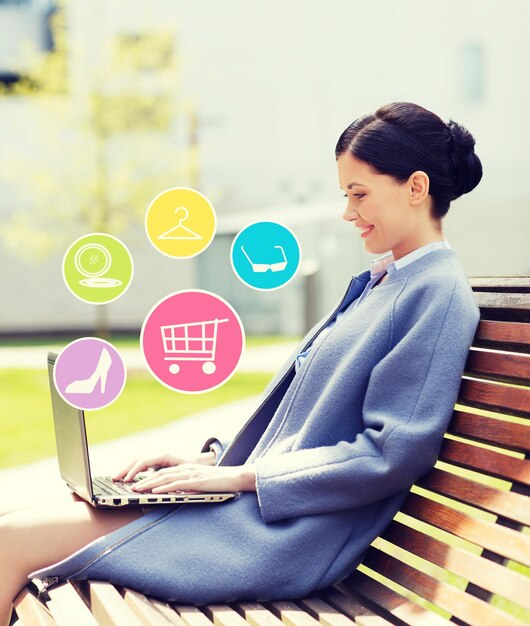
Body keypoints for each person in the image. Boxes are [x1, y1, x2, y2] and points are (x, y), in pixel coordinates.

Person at [0, 101, 483, 625]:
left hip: (277, 535)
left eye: (359, 193)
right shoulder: (386, 283)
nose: (348, 212)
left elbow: (391, 453)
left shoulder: (437, 295)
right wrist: (210, 465)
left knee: (9, 542)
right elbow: (307, 429)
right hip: (252, 511)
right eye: (346, 194)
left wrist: (240, 478)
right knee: (12, 525)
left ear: (416, 188)